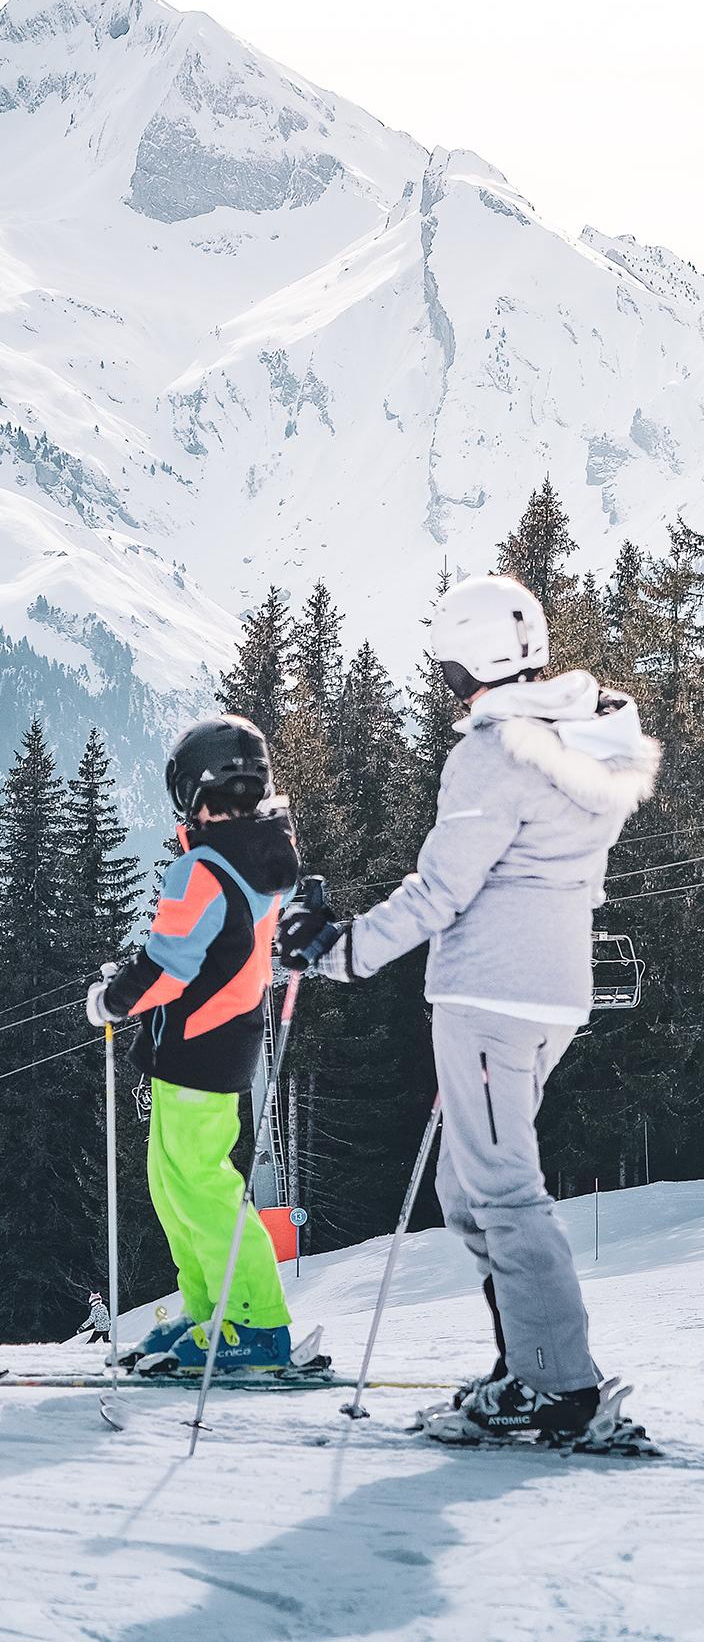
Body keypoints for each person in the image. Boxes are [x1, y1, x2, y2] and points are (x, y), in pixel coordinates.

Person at [281, 575, 660, 1443]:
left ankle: (560, 1385)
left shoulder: (495, 753)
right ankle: (526, 1365)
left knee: (504, 1192)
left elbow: (443, 890)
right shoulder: (584, 742)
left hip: (490, 997)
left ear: (465, 661)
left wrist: (339, 949)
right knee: (467, 1185)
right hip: (550, 994)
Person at [85, 716, 302, 1378]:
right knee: (173, 1184)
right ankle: (211, 1307)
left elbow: (168, 968)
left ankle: (256, 1323)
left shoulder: (203, 870)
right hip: (221, 1042)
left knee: (201, 1188)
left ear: (193, 793)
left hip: (196, 1048)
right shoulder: (261, 858)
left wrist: (112, 999)